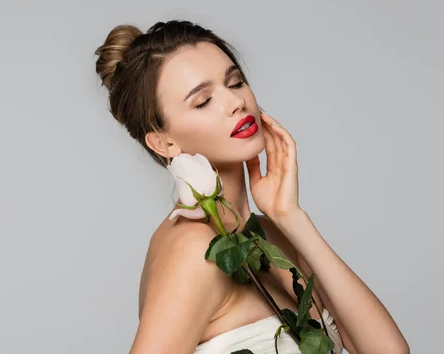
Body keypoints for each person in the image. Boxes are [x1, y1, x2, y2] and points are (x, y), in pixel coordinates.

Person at [94, 20, 409, 354]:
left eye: (236, 82)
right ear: (164, 142)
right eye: (203, 101)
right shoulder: (192, 248)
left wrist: (290, 217)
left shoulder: (270, 234)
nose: (235, 102)